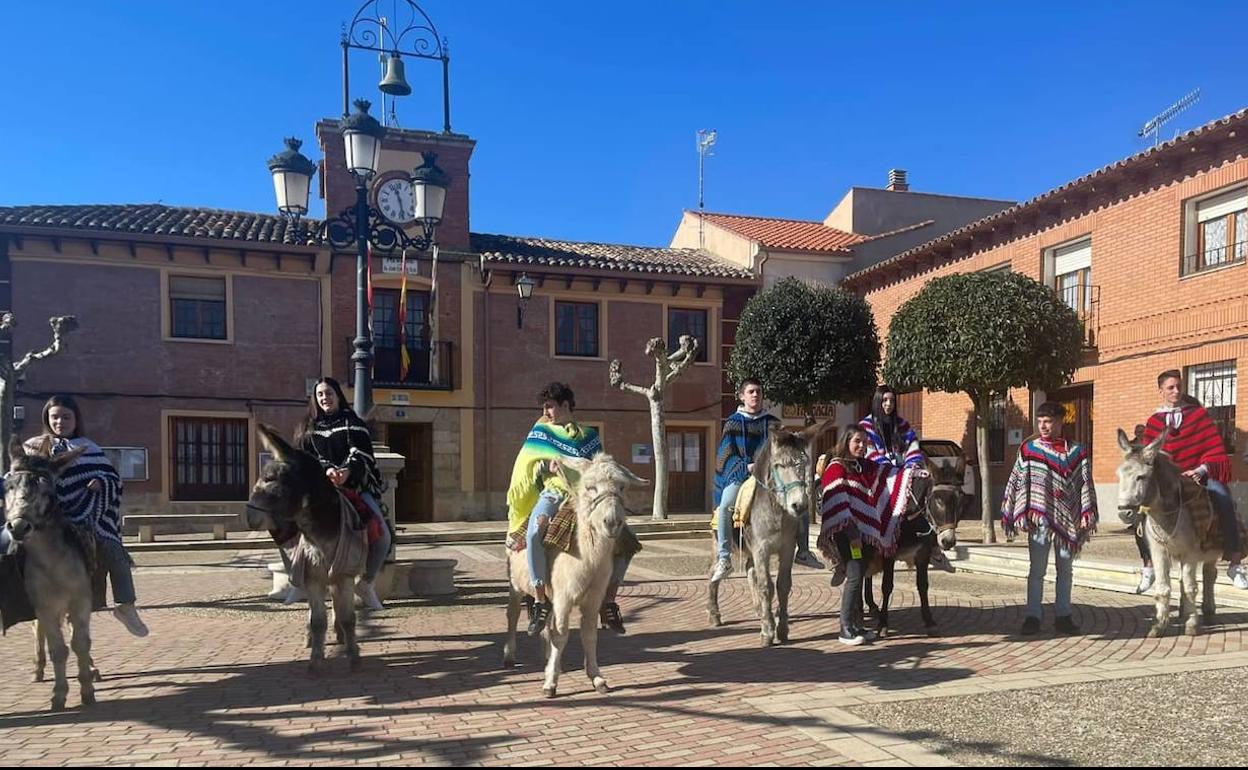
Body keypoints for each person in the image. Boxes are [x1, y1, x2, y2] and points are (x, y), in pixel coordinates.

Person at [506, 382, 637, 636]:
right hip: (554, 493)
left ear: (565, 405)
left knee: (626, 541)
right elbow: (526, 468)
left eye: (550, 406)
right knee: (534, 532)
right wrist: (546, 467)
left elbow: (599, 468)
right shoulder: (541, 433)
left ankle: (608, 601)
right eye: (544, 406)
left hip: (587, 498)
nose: (546, 411)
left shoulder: (589, 436)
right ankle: (540, 598)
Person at [23, 395, 149, 637]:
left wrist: (102, 483)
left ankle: (126, 605)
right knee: (8, 547)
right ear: (47, 419)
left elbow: (113, 478)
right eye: (55, 417)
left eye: (66, 417)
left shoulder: (89, 447)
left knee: (114, 550)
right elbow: (18, 478)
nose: (60, 421)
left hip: (86, 515)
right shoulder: (33, 447)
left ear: (76, 419)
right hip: (42, 518)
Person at [293, 377, 394, 611]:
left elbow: (363, 454)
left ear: (338, 395)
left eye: (328, 393)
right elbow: (306, 461)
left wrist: (348, 471)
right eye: (320, 395)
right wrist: (326, 470)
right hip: (322, 493)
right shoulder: (308, 428)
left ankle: (366, 584)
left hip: (355, 488)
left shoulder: (354, 423)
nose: (324, 398)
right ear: (315, 399)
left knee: (383, 536)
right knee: (299, 534)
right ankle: (298, 584)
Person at [1141, 372, 1248, 590]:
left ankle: (1235, 564)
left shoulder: (1198, 415)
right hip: (1167, 479)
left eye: (1179, 386)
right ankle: (1149, 565)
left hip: (1200, 475)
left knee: (1224, 499)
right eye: (1170, 387)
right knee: (1140, 507)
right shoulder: (1153, 422)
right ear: (1160, 390)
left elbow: (1214, 448)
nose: (1176, 391)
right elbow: (1148, 456)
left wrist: (1201, 469)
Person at [1001, 401, 1098, 635]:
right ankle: (1033, 616)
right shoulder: (1029, 449)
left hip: (1068, 520)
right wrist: (1020, 510)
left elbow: (1084, 482)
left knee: (1065, 571)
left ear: (1060, 422)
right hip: (1039, 518)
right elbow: (1018, 480)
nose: (1043, 426)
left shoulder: (1077, 451)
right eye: (1040, 421)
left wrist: (1086, 511)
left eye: (1048, 421)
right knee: (1037, 570)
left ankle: (1063, 616)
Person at [711, 379, 822, 583]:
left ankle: (804, 551)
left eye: (759, 392)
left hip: (770, 477)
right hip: (741, 475)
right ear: (742, 396)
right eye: (751, 392)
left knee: (800, 501)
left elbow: (783, 449)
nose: (755, 395)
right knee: (726, 506)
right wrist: (746, 466)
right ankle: (724, 557)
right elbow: (726, 454)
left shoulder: (773, 423)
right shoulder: (733, 423)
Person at [817, 425, 876, 646]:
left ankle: (857, 625)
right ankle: (845, 628)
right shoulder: (836, 468)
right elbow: (838, 505)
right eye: (857, 442)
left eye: (864, 442)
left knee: (859, 575)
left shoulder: (860, 468)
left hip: (859, 534)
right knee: (853, 576)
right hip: (845, 533)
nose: (861, 446)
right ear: (846, 443)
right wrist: (852, 534)